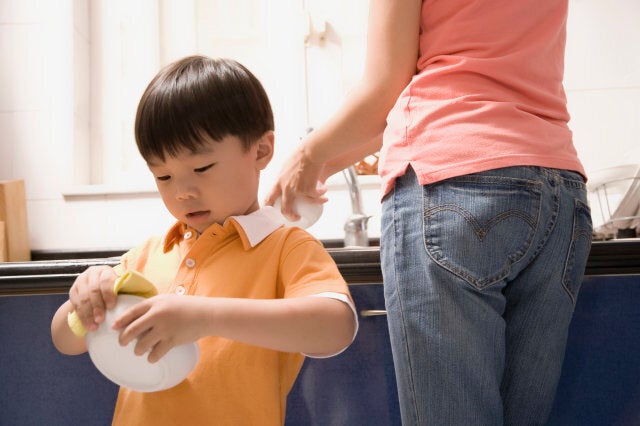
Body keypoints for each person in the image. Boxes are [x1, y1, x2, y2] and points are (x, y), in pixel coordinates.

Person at [266, 1, 593, 424]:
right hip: (559, 193)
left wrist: (305, 156)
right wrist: (317, 166)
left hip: (453, 187)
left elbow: (383, 92)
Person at [51, 55, 357, 426]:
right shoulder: (148, 255)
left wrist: (206, 315)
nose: (182, 191)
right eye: (163, 176)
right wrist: (83, 300)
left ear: (260, 151)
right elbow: (65, 341)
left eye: (201, 168)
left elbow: (336, 328)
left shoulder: (285, 248)